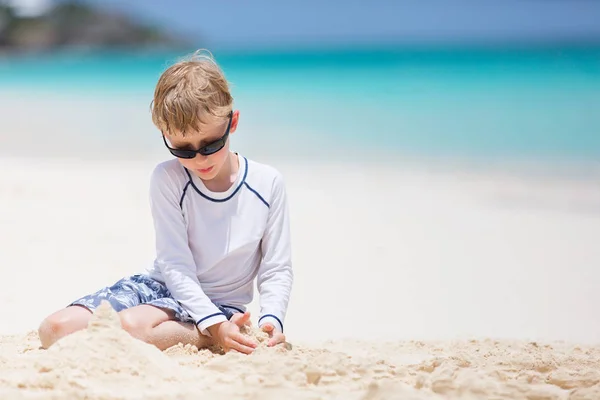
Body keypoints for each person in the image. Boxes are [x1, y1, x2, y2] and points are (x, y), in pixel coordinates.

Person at [37, 50, 294, 355]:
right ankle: (212, 334)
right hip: (158, 285)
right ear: (165, 135)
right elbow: (174, 264)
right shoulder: (167, 178)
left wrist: (271, 321)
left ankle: (213, 335)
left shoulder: (267, 183)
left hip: (218, 303)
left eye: (211, 144)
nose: (199, 159)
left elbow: (276, 268)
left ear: (232, 122)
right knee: (54, 329)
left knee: (133, 327)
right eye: (184, 149)